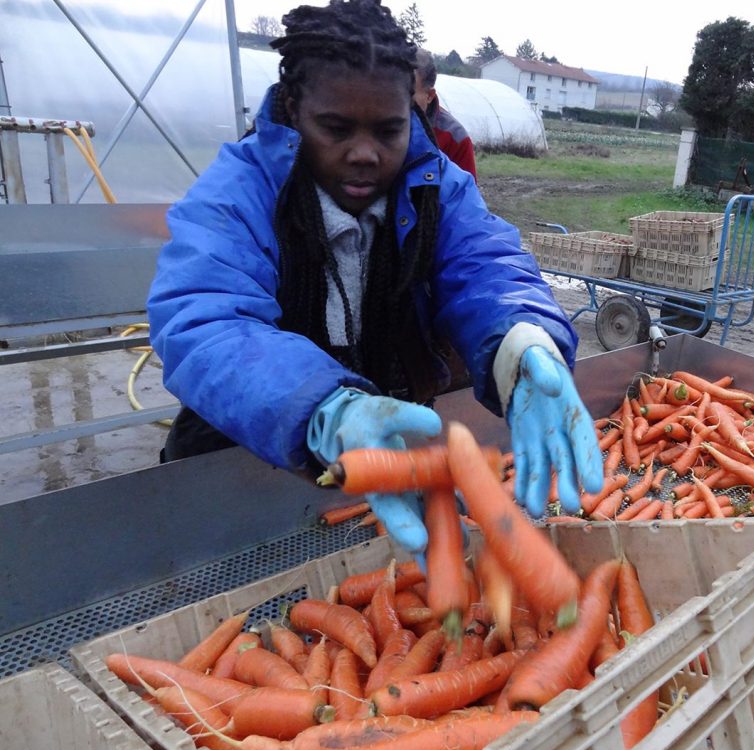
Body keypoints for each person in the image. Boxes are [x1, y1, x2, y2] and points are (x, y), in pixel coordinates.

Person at [146, 0, 601, 556]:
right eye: (335, 128)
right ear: (293, 107)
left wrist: (522, 336)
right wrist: (324, 409)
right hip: (242, 452)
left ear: (411, 111)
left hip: (389, 446)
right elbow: (204, 319)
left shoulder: (438, 186)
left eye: (388, 131)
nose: (364, 154)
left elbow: (487, 263)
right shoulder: (238, 190)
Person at [412, 48, 477, 178]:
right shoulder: (370, 123)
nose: (396, 102)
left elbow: (464, 195)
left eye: (408, 93)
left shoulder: (455, 139)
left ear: (429, 96)